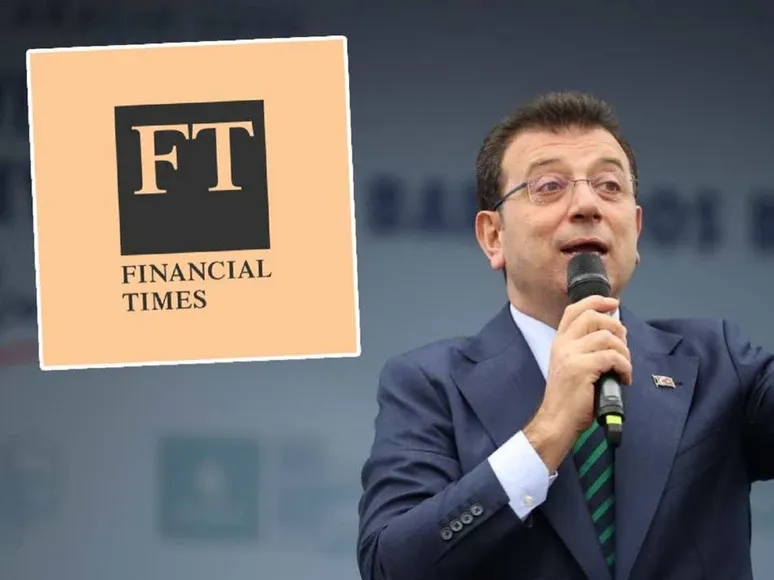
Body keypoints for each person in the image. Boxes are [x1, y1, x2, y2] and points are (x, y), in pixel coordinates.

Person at [355, 91, 774, 580]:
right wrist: (545, 436)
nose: (587, 205)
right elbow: (391, 566)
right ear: (493, 237)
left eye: (610, 185)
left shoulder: (719, 363)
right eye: (549, 186)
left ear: (636, 228)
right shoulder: (430, 386)